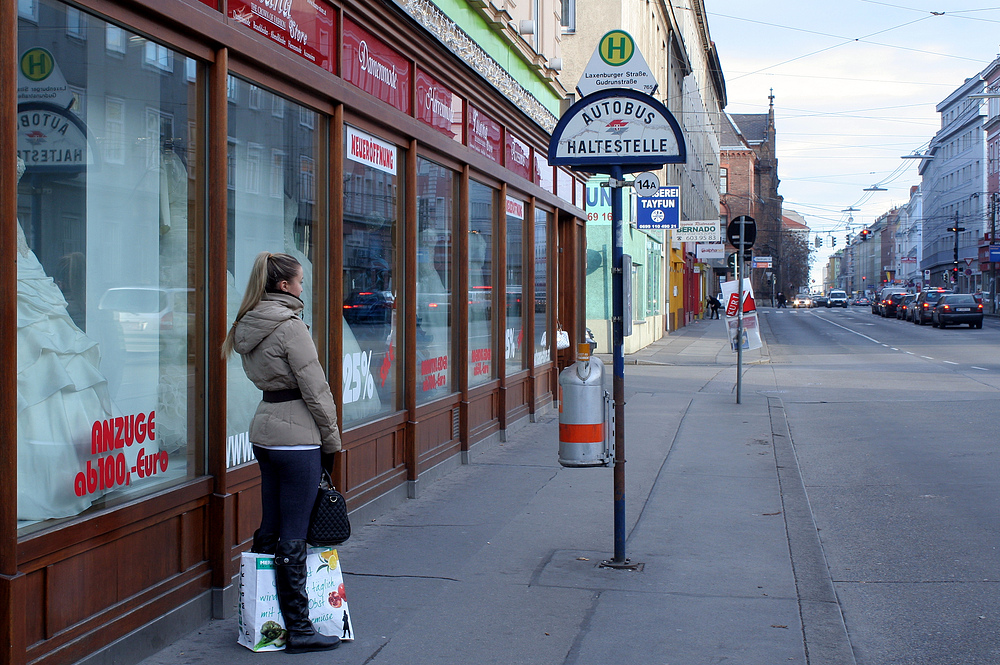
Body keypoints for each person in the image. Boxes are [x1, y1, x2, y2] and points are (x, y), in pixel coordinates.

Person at [222, 252, 342, 654]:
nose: (303, 287)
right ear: (285, 286)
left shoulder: (248, 325)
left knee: (270, 526)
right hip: (297, 435)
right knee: (293, 532)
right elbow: (316, 389)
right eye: (301, 281)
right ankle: (299, 628)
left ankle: (262, 616)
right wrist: (332, 439)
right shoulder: (290, 327)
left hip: (265, 427)